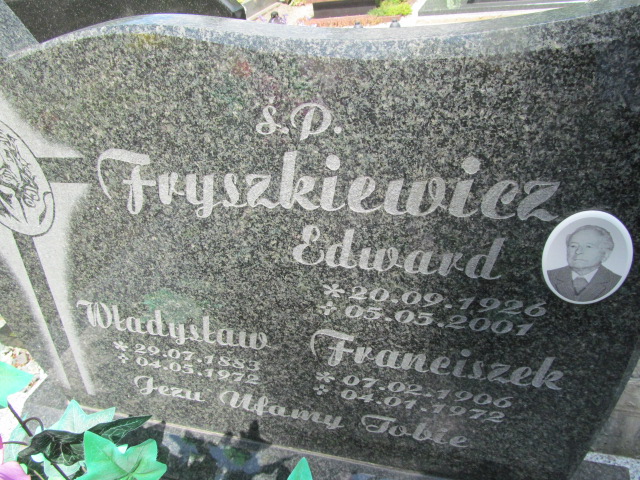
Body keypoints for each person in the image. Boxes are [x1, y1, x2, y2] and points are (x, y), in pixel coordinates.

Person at [547, 225, 621, 302]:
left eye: (588, 246)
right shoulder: (550, 276)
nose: (578, 251)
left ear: (605, 254)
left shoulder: (615, 282)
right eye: (573, 246)